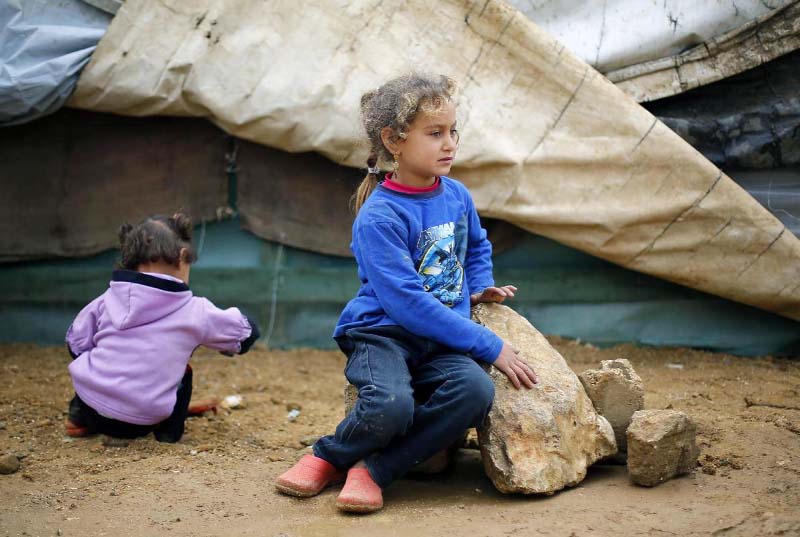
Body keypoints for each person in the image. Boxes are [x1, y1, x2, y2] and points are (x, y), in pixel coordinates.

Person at [275, 74, 538, 513]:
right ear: (394, 140)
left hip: (438, 341)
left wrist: (478, 286)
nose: (449, 143)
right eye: (434, 133)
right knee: (391, 405)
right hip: (384, 333)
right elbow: (407, 304)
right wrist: (491, 345)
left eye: (453, 131)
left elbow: (475, 245)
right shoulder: (380, 217)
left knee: (474, 392)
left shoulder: (456, 195)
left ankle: (375, 469)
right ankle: (328, 456)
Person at [64, 212, 259, 443]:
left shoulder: (105, 299)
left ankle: (77, 418)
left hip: (90, 405)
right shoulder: (196, 311)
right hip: (140, 421)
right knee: (183, 371)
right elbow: (246, 335)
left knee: (93, 360)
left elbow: (75, 343)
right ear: (183, 256)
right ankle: (169, 432)